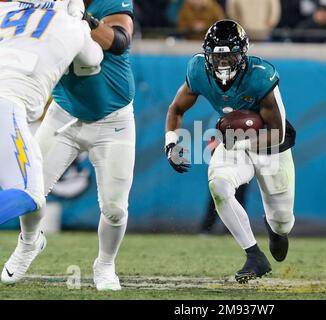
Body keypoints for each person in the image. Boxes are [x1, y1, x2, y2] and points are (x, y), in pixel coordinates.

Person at [2, 0, 135, 291]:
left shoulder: (101, 6)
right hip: (62, 115)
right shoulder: (47, 8)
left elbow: (121, 41)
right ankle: (28, 243)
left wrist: (85, 20)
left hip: (113, 121)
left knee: (115, 208)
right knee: (31, 189)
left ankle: (105, 264)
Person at [165, 20, 296, 283]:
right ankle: (254, 255)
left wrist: (240, 138)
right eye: (217, 55)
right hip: (234, 141)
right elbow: (176, 109)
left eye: (230, 55)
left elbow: (278, 133)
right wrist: (171, 143)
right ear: (207, 55)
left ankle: (275, 229)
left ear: (243, 54)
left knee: (283, 222)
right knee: (220, 186)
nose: (223, 62)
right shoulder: (197, 69)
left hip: (270, 144)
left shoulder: (261, 75)